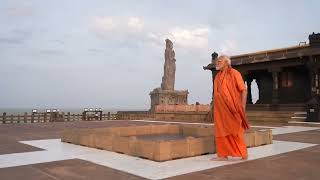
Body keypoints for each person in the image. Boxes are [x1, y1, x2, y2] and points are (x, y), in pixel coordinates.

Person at [211, 55, 250, 161]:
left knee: (235, 130)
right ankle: (223, 154)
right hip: (220, 110)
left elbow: (243, 90)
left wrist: (242, 106)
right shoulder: (217, 76)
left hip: (233, 109)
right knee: (221, 131)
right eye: (217, 61)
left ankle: (243, 153)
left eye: (220, 61)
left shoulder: (234, 73)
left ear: (226, 63)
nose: (217, 63)